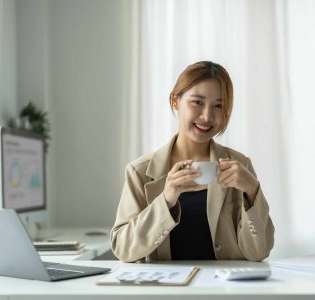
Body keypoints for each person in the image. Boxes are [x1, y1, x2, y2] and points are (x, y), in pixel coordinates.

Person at [111, 61, 274, 262]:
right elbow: (124, 250)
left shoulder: (239, 166)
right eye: (197, 102)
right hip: (167, 290)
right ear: (175, 101)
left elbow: (259, 252)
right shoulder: (140, 172)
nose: (207, 116)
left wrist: (252, 190)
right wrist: (167, 200)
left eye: (219, 106)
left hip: (224, 290)